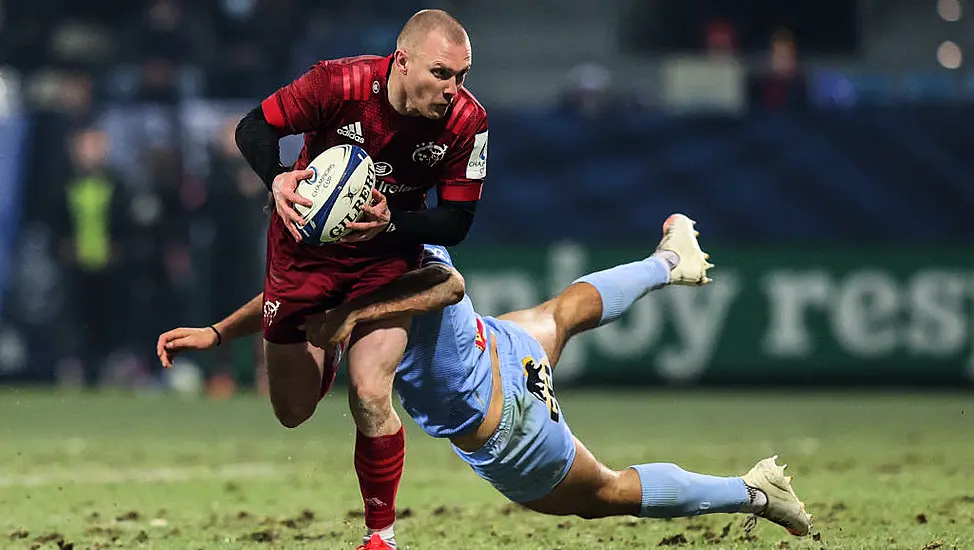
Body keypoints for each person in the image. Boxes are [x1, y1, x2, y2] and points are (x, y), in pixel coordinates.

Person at [158, 215, 813, 541]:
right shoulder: (395, 233)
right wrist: (221, 332)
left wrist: (347, 319)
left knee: (607, 492)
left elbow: (420, 314)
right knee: (560, 314)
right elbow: (292, 300)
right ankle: (668, 260)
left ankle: (753, 491)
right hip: (499, 347)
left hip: (509, 429)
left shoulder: (402, 277)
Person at [232, 8, 488, 549]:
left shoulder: (468, 123)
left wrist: (393, 222)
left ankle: (381, 535)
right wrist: (276, 178)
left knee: (371, 392)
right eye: (441, 74)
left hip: (387, 261)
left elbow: (457, 222)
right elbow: (252, 126)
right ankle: (324, 352)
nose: (453, 90)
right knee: (293, 411)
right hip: (303, 254)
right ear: (402, 62)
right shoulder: (337, 82)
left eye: (462, 76)